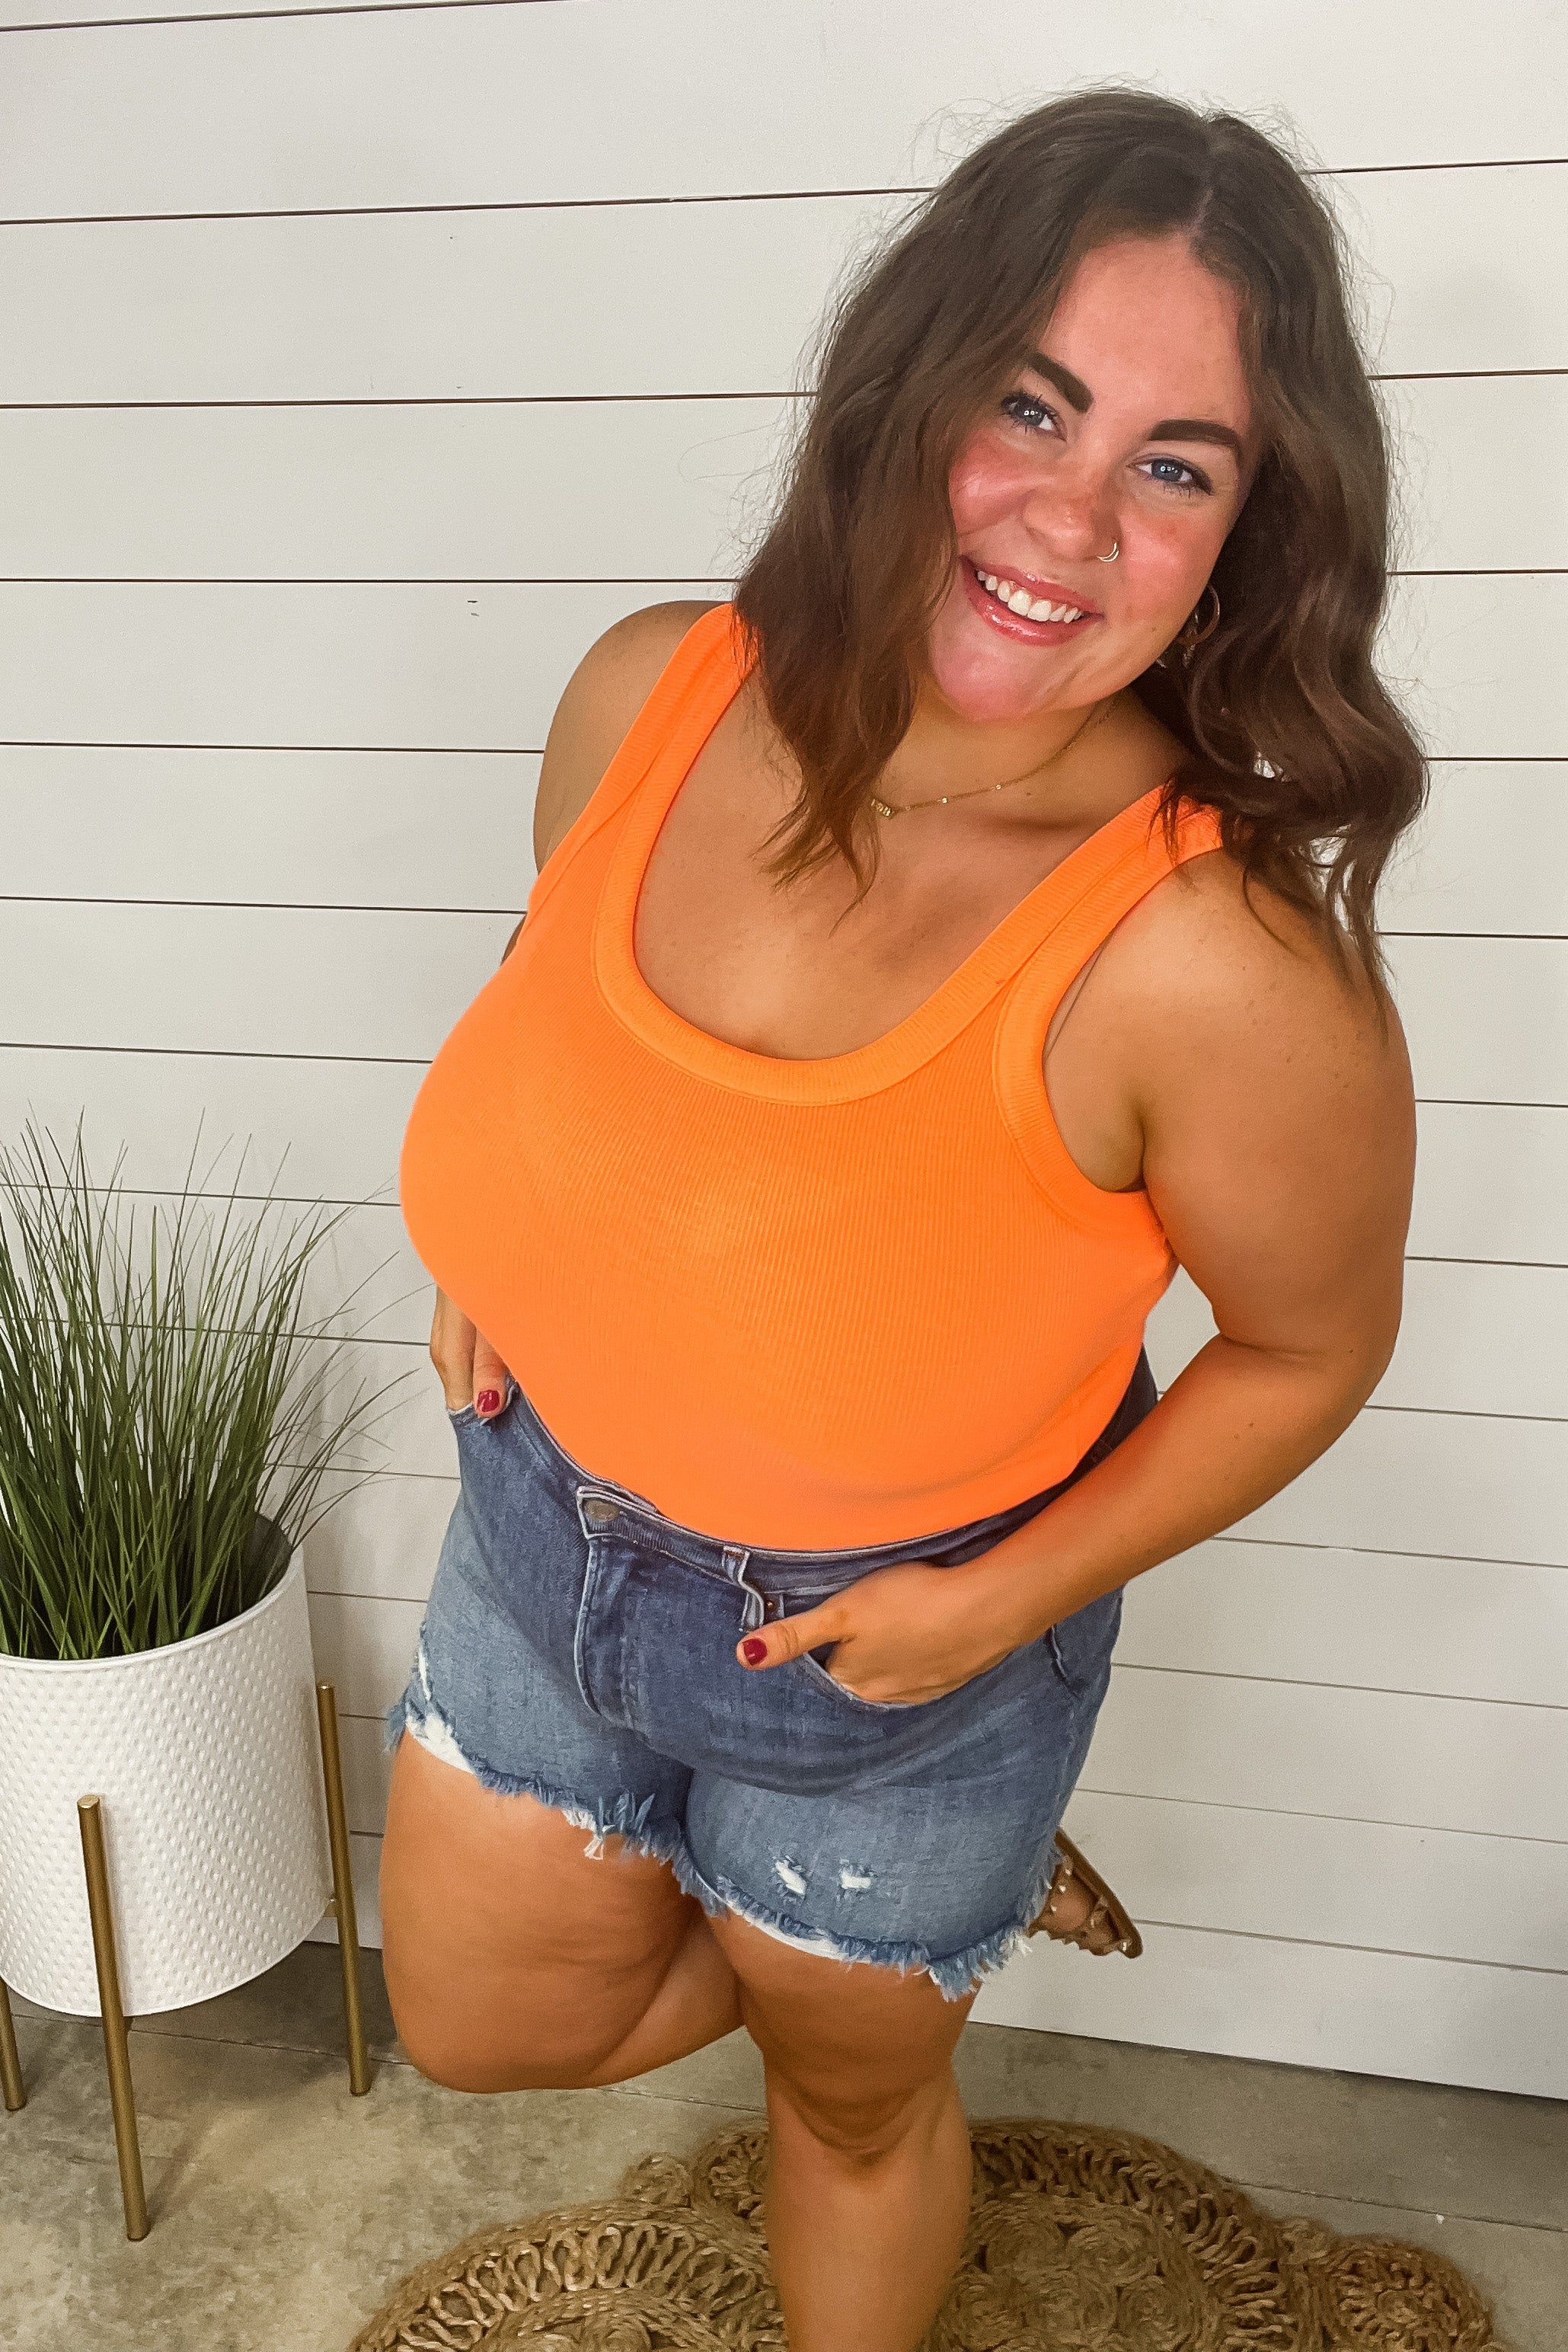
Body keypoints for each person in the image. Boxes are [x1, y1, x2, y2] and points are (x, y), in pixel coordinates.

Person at [379, 88, 1420, 2352]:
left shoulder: (1214, 960)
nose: (1071, 516)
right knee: (475, 2023)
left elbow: (1307, 1349)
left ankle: (925, 1904)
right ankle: (922, 1924)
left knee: (849, 2112)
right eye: (1029, 406)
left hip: (901, 1655)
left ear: (1247, 537)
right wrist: (499, 1246)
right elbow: (566, 1016)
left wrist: (994, 1613)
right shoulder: (648, 689)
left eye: (1176, 465)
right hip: (536, 1521)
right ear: (911, 388)